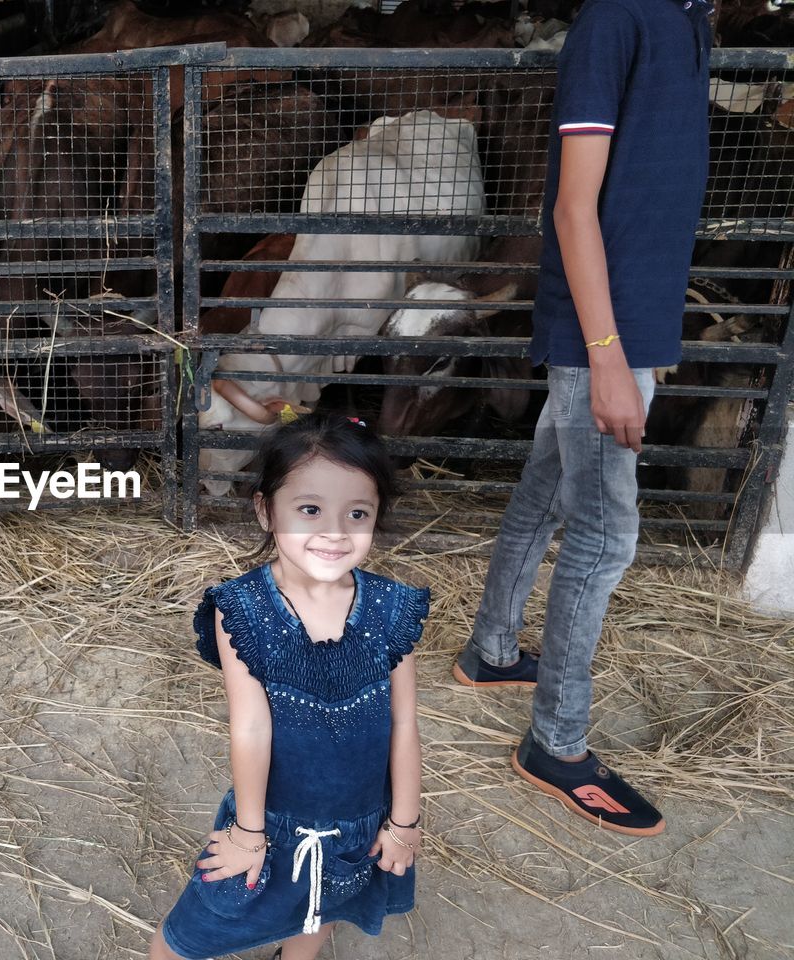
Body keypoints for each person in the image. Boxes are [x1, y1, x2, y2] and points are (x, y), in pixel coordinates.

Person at [453, 0, 714, 837]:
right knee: (605, 535)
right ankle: (556, 745)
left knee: (547, 486)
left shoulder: (686, 20)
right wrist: (607, 352)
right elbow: (574, 208)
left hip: (630, 320)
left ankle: (492, 652)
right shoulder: (616, 21)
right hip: (604, 329)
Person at [149, 413, 430, 960]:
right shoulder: (244, 610)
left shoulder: (393, 609)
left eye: (357, 513)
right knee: (183, 941)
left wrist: (403, 821)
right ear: (264, 510)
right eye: (309, 510)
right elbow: (251, 726)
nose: (334, 531)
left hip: (358, 826)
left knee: (324, 911)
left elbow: (403, 721)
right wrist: (249, 833)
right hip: (271, 826)